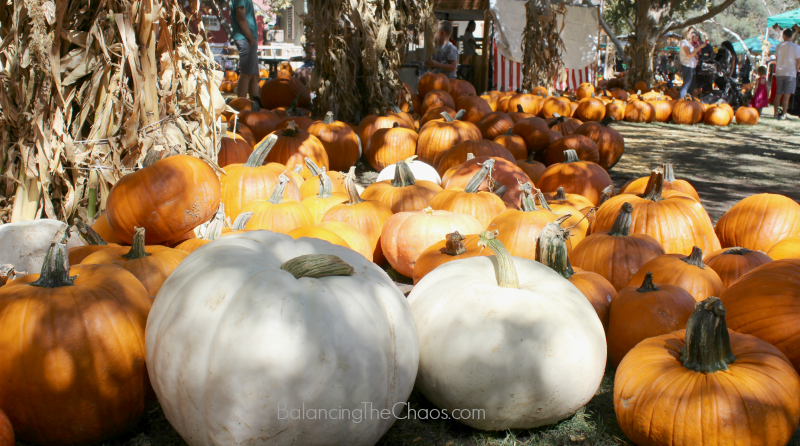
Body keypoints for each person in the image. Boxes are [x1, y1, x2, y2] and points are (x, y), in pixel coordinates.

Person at [231, 0, 260, 105]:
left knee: (254, 75)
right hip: (245, 38)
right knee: (247, 74)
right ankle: (241, 106)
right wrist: (250, 37)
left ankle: (255, 104)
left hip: (248, 38)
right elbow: (241, 16)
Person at [773, 28, 800, 119]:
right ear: (791, 36)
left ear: (784, 35)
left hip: (780, 72)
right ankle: (784, 114)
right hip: (790, 72)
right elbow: (798, 60)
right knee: (787, 95)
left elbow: (777, 58)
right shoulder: (796, 47)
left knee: (778, 93)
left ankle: (775, 113)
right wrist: (797, 68)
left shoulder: (779, 46)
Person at [679, 27, 707, 98]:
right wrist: (699, 47)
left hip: (691, 66)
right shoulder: (684, 43)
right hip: (687, 66)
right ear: (687, 33)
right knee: (686, 85)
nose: (693, 35)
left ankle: (687, 98)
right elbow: (689, 55)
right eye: (692, 33)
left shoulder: (688, 43)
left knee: (693, 84)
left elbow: (692, 54)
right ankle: (682, 101)